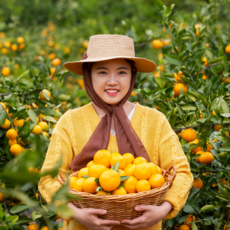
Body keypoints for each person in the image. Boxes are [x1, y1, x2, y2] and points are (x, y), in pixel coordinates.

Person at [38, 34, 193, 230]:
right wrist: (75, 213)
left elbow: (182, 172)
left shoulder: (155, 121)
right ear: (88, 74)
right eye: (102, 73)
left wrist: (163, 210)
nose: (113, 81)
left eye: (122, 72)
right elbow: (48, 178)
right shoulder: (70, 122)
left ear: (132, 75)